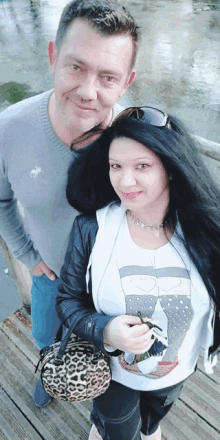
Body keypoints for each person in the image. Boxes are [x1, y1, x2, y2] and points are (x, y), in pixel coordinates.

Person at [0, 0, 139, 407]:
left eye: (108, 76)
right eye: (76, 66)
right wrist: (28, 255)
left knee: (113, 359)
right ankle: (48, 372)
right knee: (46, 336)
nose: (88, 91)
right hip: (49, 274)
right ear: (52, 56)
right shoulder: (9, 130)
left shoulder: (141, 138)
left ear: (126, 80)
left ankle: (105, 403)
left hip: (118, 287)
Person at [56, 106, 220, 440]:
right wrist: (106, 329)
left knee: (151, 422)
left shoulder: (205, 229)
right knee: (118, 430)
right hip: (113, 373)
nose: (124, 181)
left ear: (171, 169)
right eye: (116, 166)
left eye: (142, 166)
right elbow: (67, 300)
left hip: (177, 369)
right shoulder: (92, 229)